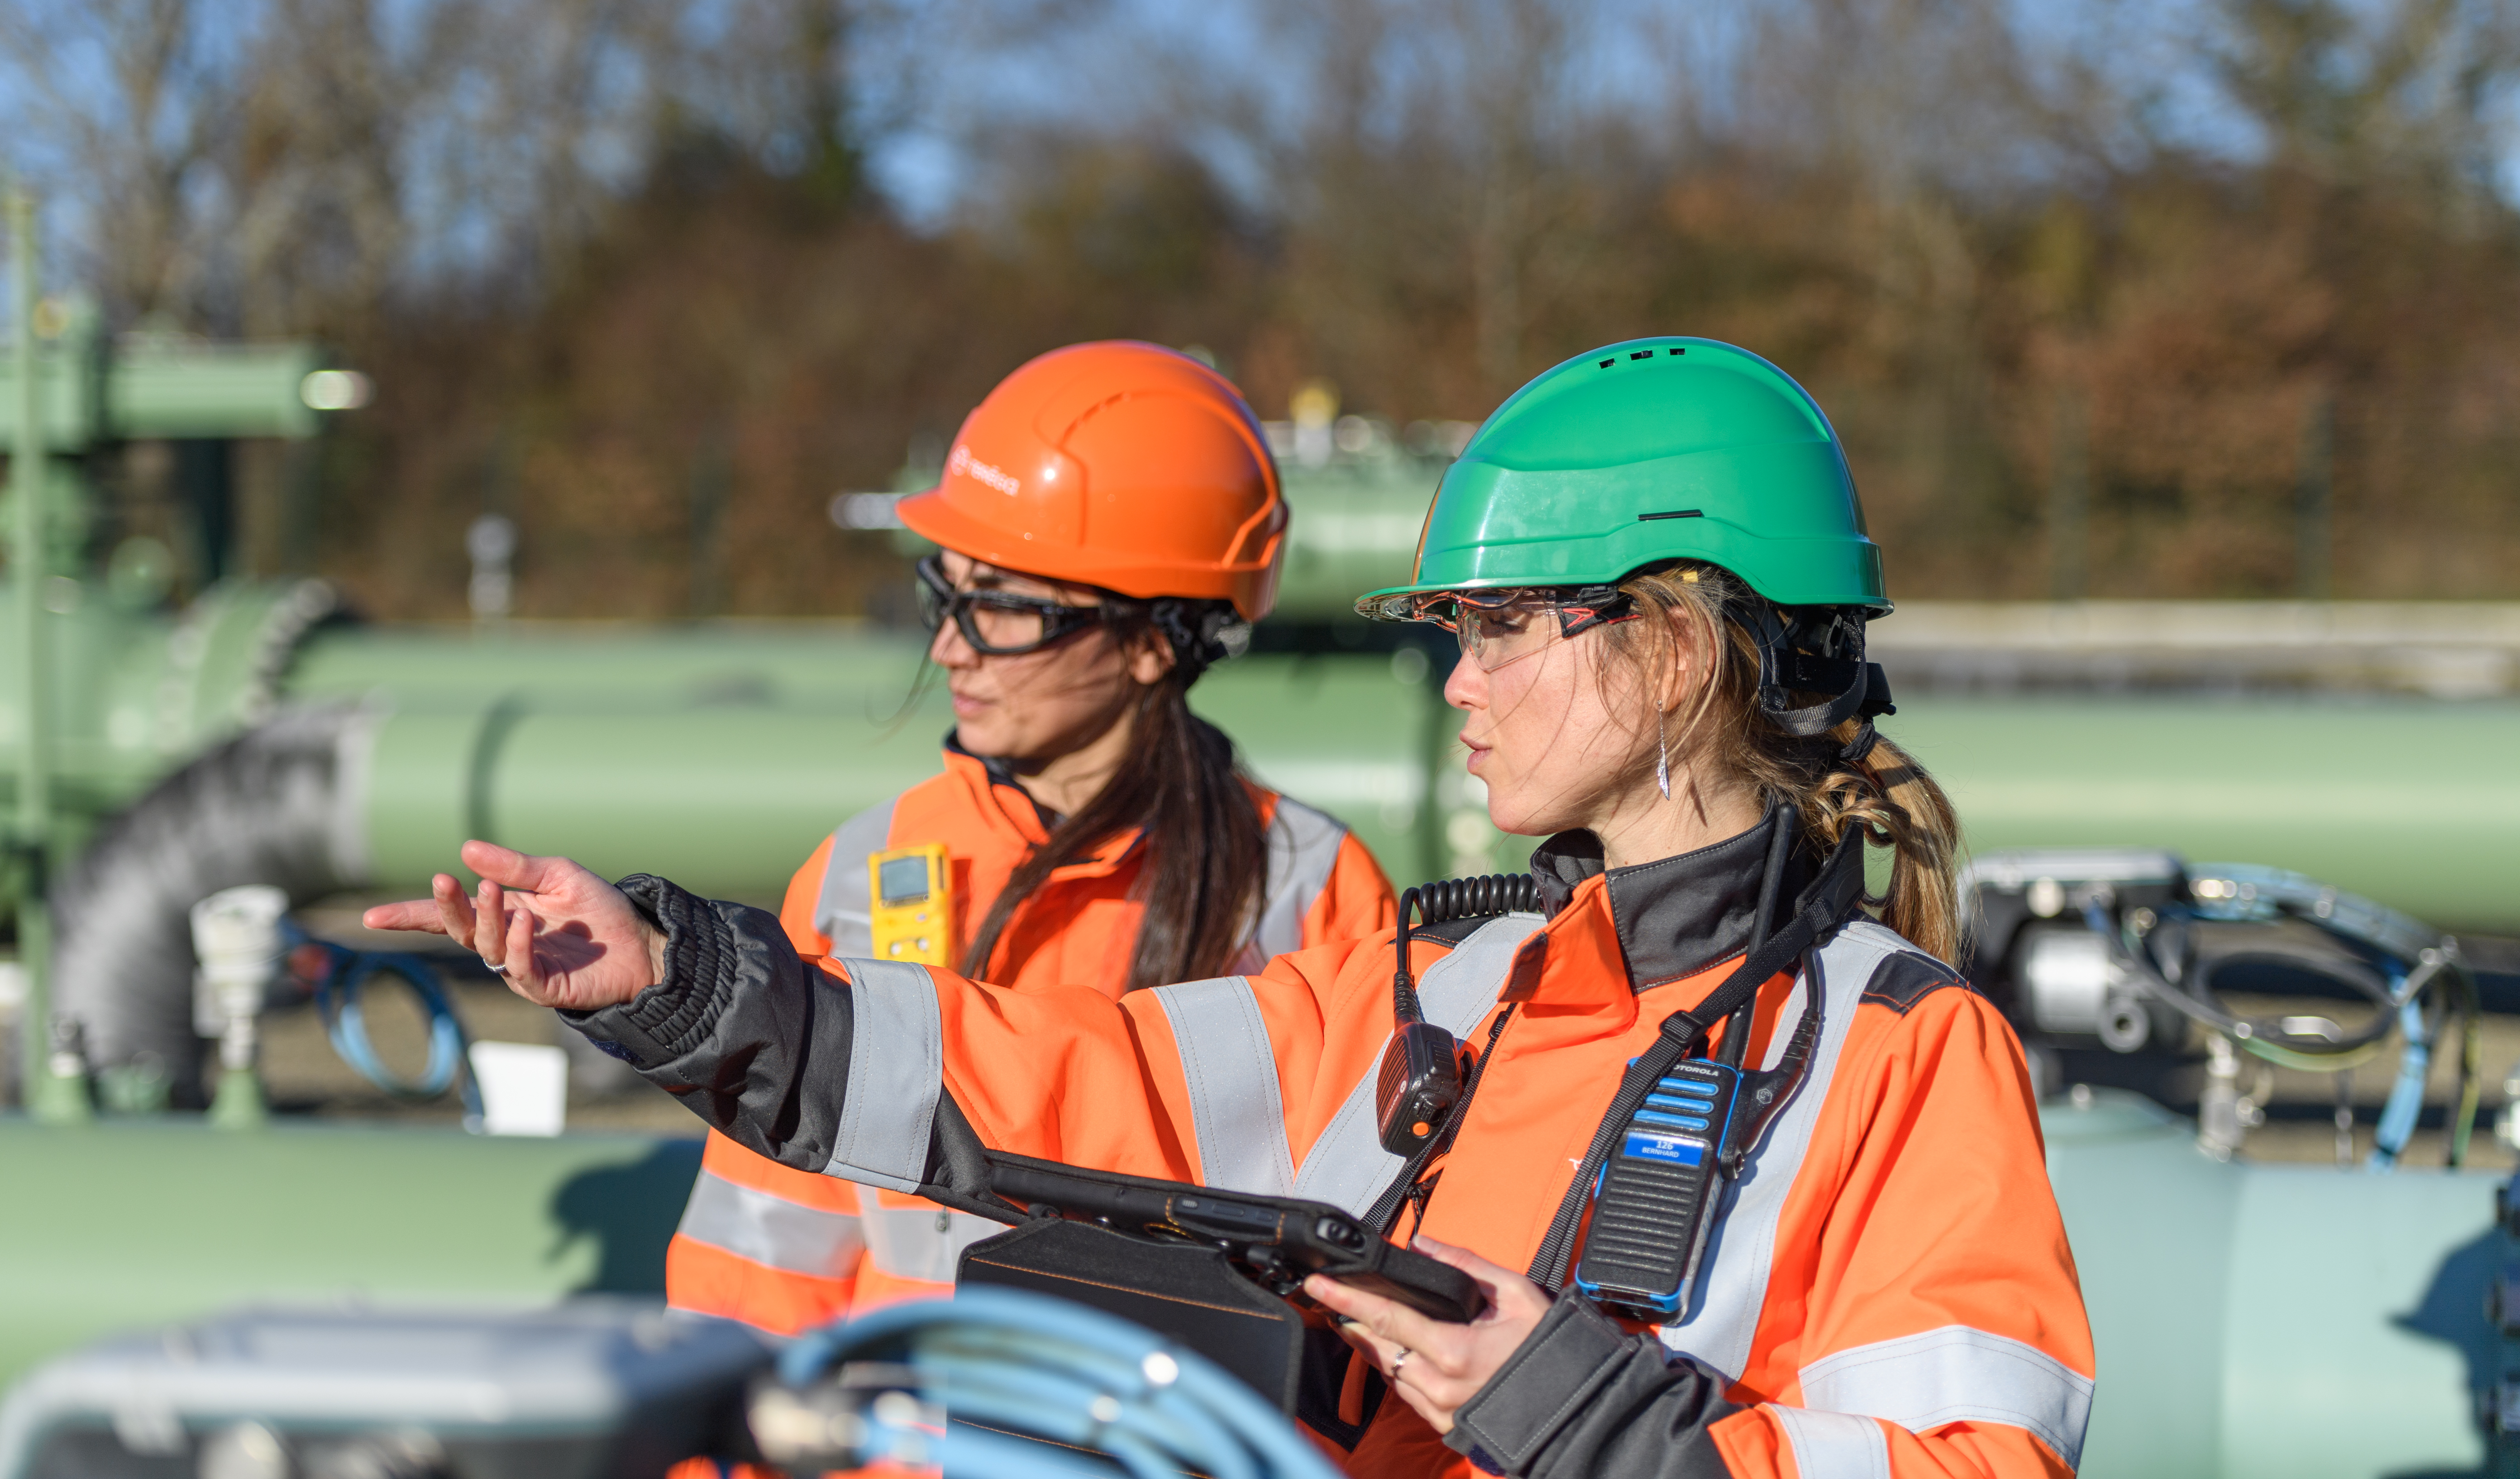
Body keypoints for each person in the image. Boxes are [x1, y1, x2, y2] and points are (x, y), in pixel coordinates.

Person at [373, 338, 2093, 1479]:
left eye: (1500, 628)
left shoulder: (1899, 1050)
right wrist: (685, 981)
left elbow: (1975, 1465)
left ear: (1674, 643)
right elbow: (1062, 1080)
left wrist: (1585, 1411)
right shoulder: (1445, 987)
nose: (1459, 685)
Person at [650, 340, 1397, 1335]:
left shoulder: (1314, 889)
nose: (950, 647)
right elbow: (764, 1244)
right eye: (946, 592)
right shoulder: (858, 872)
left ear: (1151, 641)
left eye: (1002, 608)